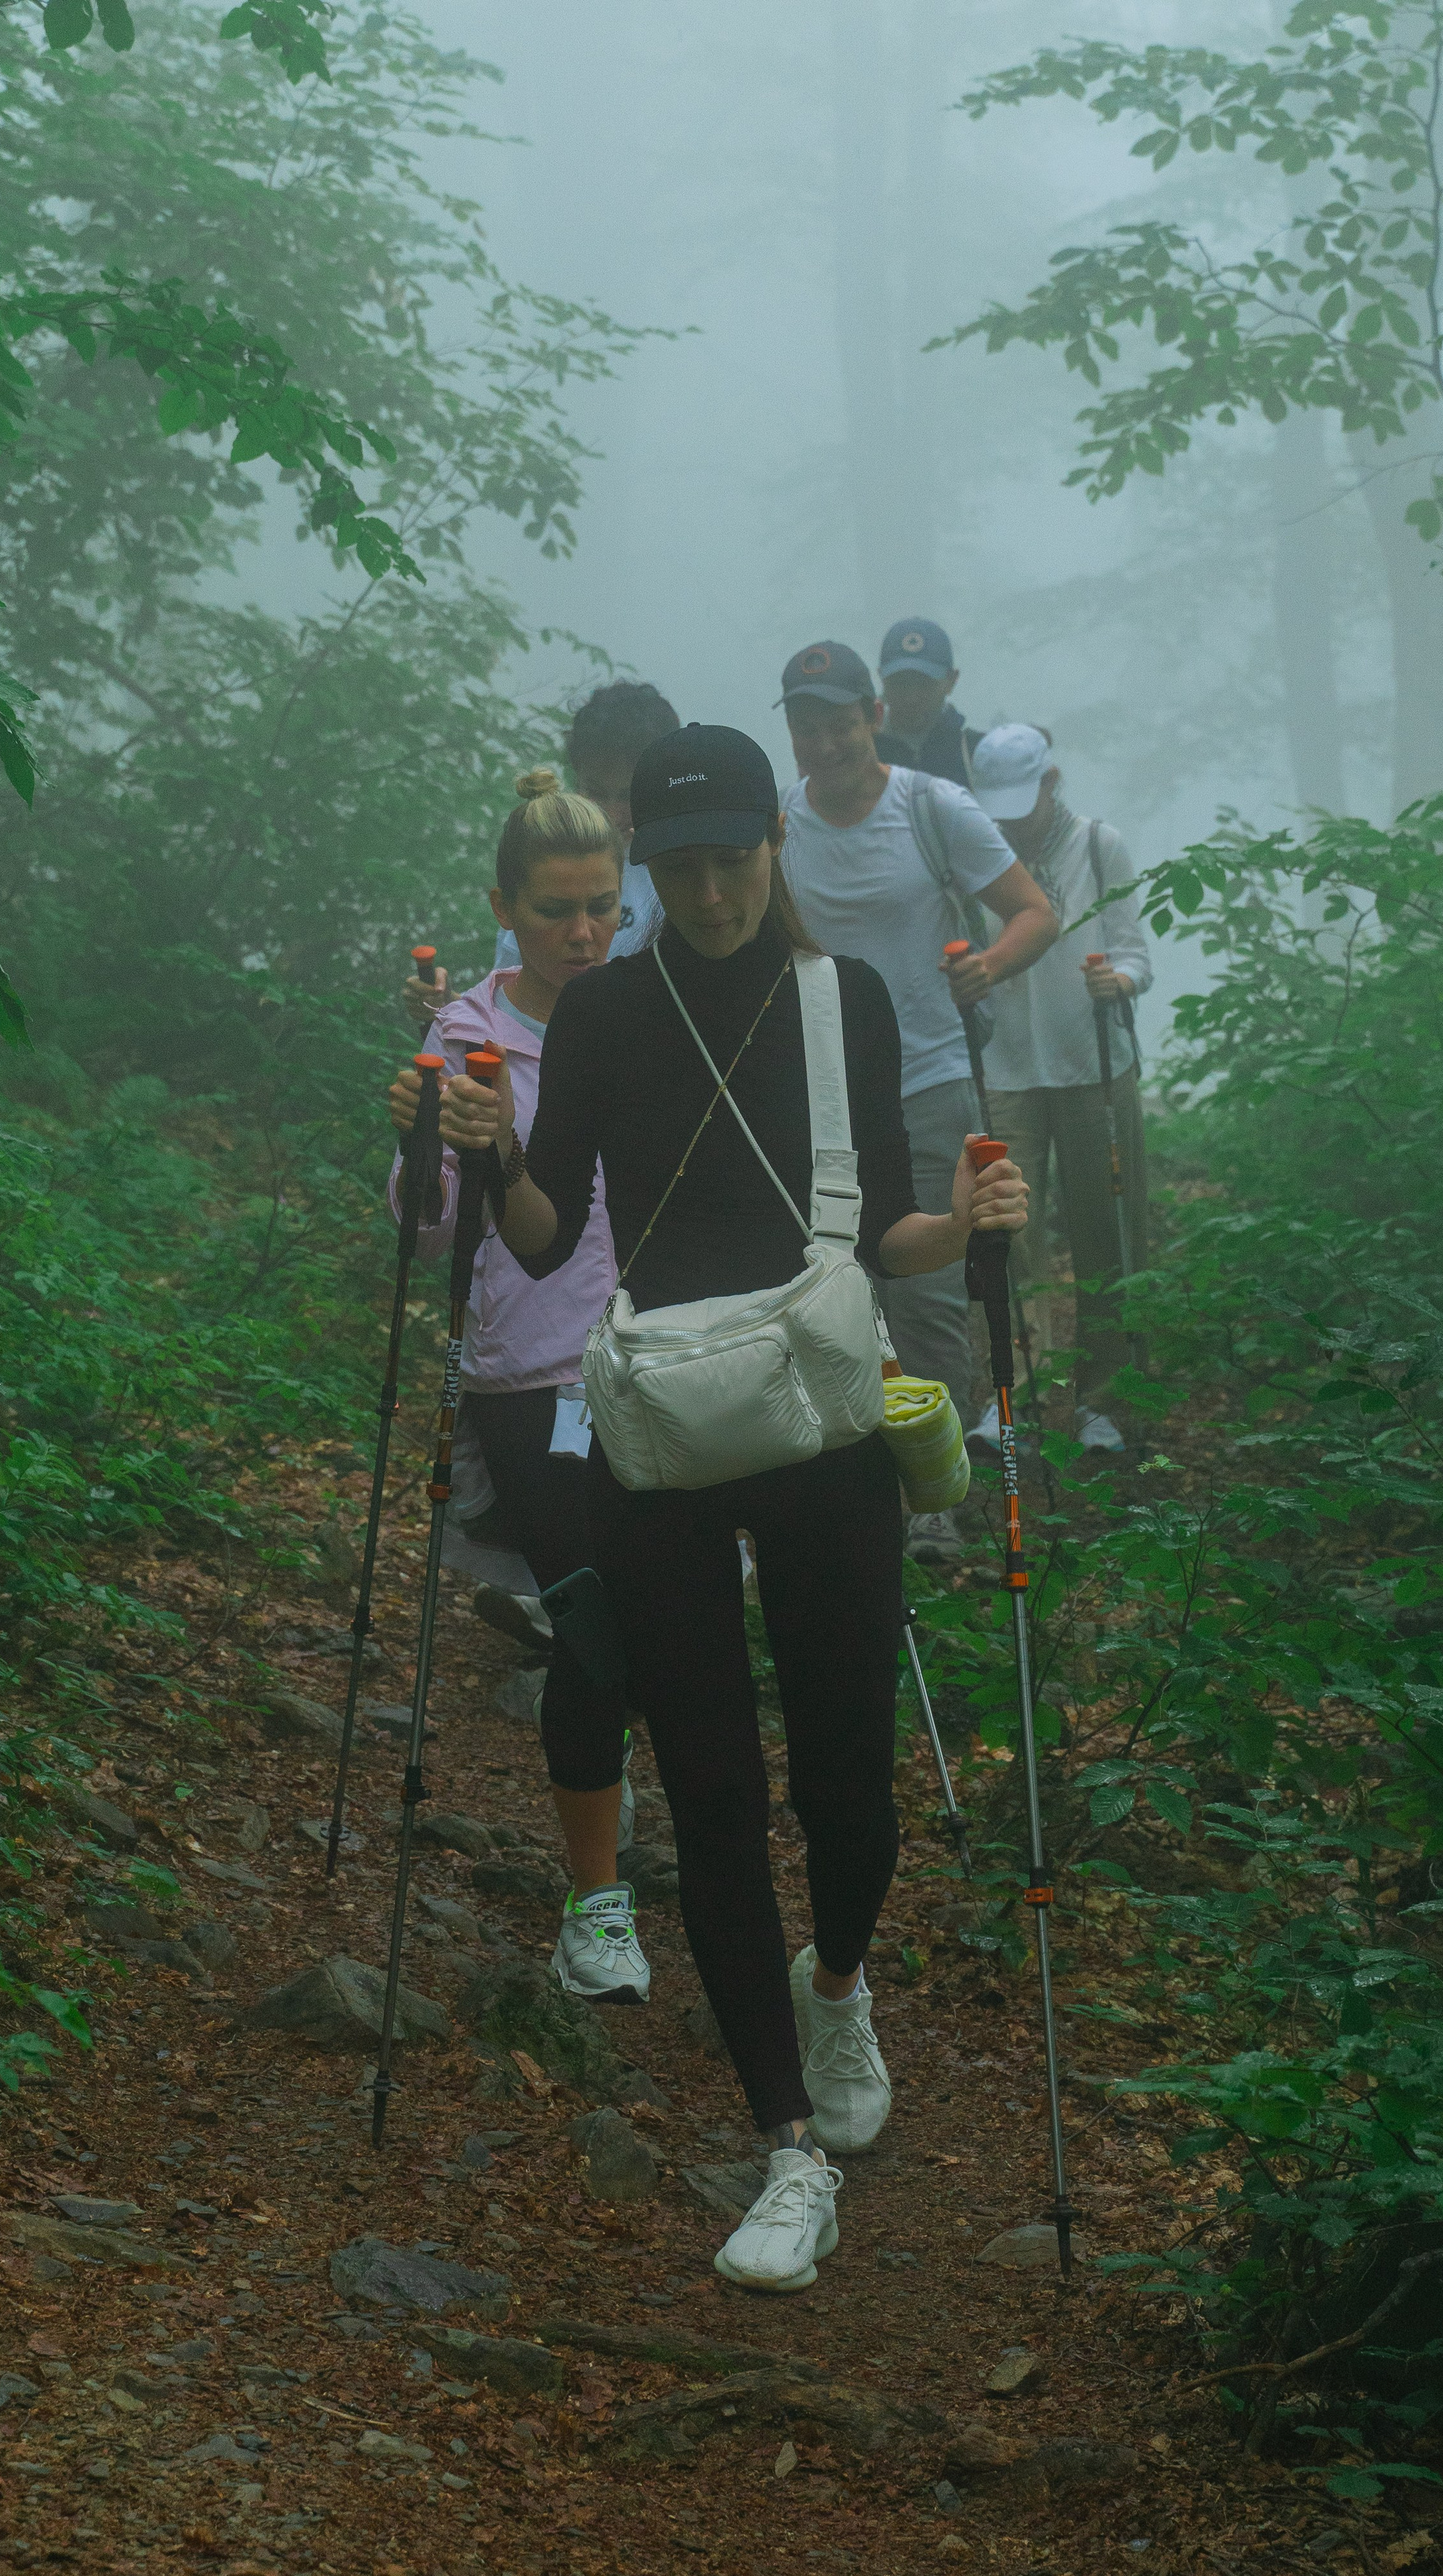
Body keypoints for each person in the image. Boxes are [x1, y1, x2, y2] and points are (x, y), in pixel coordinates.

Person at [440, 721, 1028, 2293]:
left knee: (846, 1775)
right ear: (649, 866)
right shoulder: (610, 1008)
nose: (702, 889)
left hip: (826, 1417)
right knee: (708, 1784)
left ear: (770, 844)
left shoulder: (842, 999)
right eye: (675, 865)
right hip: (660, 1428)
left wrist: (964, 1222)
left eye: (726, 858)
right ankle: (785, 2146)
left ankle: (833, 1977)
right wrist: (494, 1150)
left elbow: (889, 1232)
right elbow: (554, 1239)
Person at [383, 769, 650, 2007]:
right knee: (592, 1619)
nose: (586, 933)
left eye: (603, 905)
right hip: (529, 1370)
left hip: (662, 1359)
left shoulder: (657, 1016)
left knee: (654, 1623)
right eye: (558, 911)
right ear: (507, 907)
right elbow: (426, 1232)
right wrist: (425, 1138)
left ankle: (628, 1794)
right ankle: (596, 1903)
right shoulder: (469, 1035)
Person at [771, 640, 1057, 1564]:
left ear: (874, 718)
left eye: (840, 721)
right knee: (824, 1279)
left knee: (930, 1288)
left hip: (930, 1078)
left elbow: (1032, 910)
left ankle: (934, 1499)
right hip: (814, 1087)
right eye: (806, 724)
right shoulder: (776, 827)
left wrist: (990, 965)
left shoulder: (932, 807)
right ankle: (837, 1474)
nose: (825, 741)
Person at [968, 721, 1152, 1451]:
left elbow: (1136, 950)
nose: (1011, 817)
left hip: (1095, 1067)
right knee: (1008, 1238)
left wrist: (1122, 979)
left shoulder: (1099, 846)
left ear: (1051, 782)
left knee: (1106, 1232)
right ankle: (1014, 1393)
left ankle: (1104, 1401)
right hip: (1007, 1067)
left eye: (1025, 797)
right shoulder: (975, 855)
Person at [402, 681, 679, 1023]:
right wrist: (448, 1008)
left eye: (627, 795)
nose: (611, 813)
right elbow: (516, 1014)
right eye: (595, 791)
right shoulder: (545, 863)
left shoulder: (678, 871)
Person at [875, 615, 984, 783]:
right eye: (899, 683)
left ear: (952, 681)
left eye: (925, 684)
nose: (911, 698)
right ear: (882, 679)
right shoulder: (860, 755)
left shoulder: (979, 754)